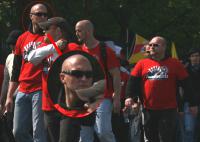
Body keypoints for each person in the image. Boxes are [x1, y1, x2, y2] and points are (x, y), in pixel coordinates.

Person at [125, 36, 198, 142]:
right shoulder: (142, 63)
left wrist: (192, 103)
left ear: (164, 47)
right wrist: (129, 97)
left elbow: (187, 84)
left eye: (155, 45)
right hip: (148, 108)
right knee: (150, 137)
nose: (151, 47)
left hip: (168, 109)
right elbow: (132, 82)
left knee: (165, 137)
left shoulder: (175, 63)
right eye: (150, 45)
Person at [4, 3, 48, 142]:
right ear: (31, 16)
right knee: (17, 132)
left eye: (45, 14)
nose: (43, 17)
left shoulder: (49, 37)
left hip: (40, 89)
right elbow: (15, 71)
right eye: (39, 14)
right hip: (22, 89)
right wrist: (9, 97)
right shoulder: (22, 38)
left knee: (38, 134)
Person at [75, 20, 121, 142]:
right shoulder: (79, 50)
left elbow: (116, 74)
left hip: (103, 97)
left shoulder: (105, 50)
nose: (76, 34)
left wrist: (116, 98)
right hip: (84, 98)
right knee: (84, 136)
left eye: (79, 30)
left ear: (88, 31)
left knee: (103, 132)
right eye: (75, 31)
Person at [47, 52, 105, 142]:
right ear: (62, 78)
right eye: (77, 74)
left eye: (88, 74)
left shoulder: (98, 108)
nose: (84, 79)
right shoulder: (57, 111)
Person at [181, 48, 200, 142]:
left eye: (197, 55)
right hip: (188, 103)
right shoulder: (184, 71)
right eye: (193, 56)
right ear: (189, 58)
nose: (195, 58)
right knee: (189, 129)